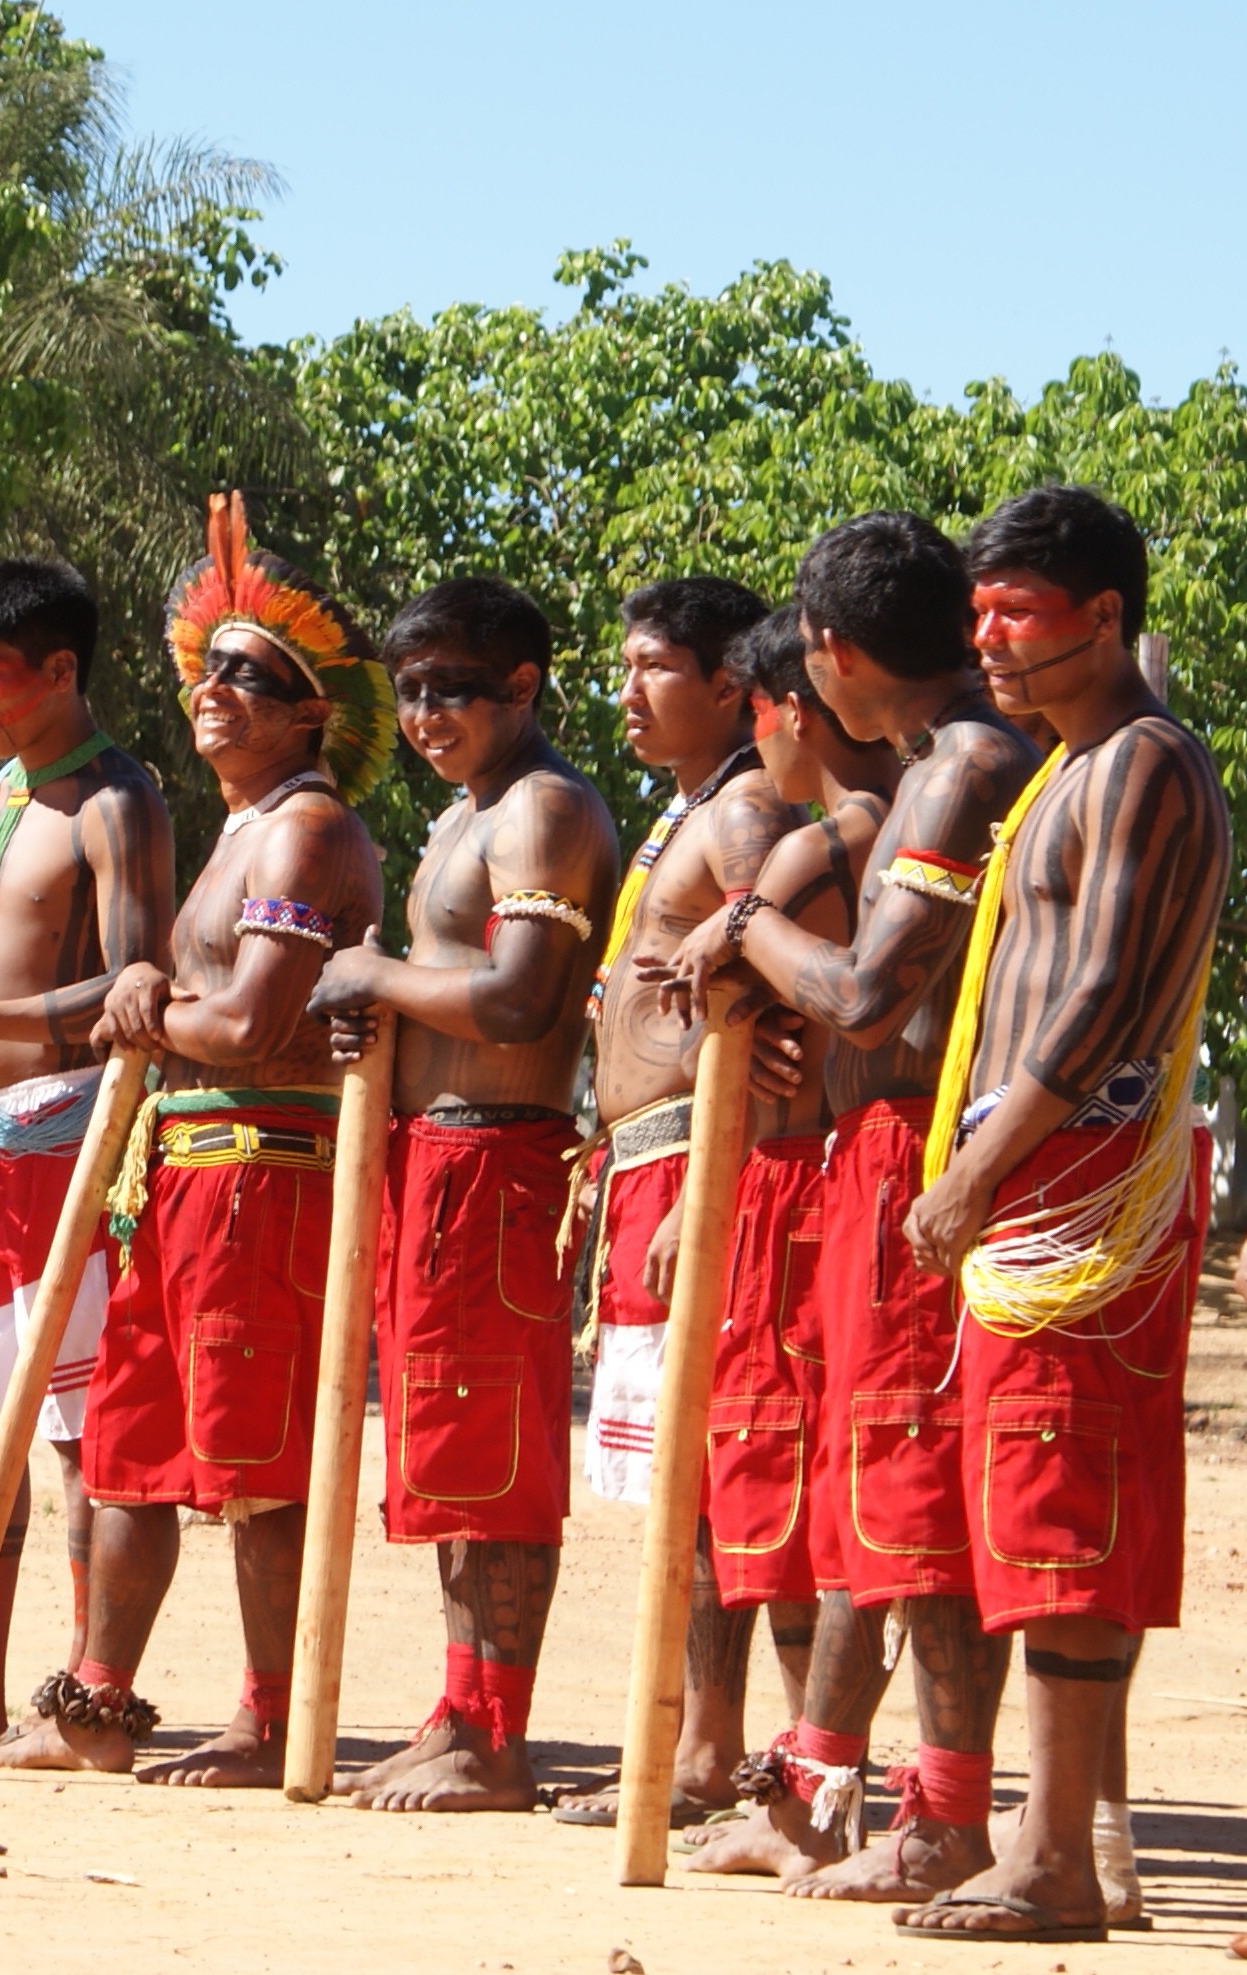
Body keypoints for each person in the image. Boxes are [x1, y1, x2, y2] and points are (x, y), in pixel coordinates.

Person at [647, 514, 1039, 1902]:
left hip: (923, 1155)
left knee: (916, 1486)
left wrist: (748, 928)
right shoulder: (942, 769)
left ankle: (944, 1814)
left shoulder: (957, 769)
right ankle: (817, 1787)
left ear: (832, 656)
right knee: (879, 1486)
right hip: (888, 1154)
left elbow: (869, 997)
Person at [0, 493, 388, 1785]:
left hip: (263, 1172)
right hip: (181, 1169)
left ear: (310, 712)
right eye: (208, 671)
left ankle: (268, 1716)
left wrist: (147, 1008)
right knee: (130, 1445)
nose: (216, 691)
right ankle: (95, 1701)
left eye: (251, 676)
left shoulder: (308, 827)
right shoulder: (241, 826)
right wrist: (151, 1006)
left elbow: (259, 1018)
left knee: (253, 1459)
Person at [893, 488, 1225, 1944]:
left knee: (1062, 1495)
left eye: (1016, 612)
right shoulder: (1068, 767)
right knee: (1036, 1498)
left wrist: (977, 1167)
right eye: (979, 614)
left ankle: (1056, 1861)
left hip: (1078, 1168)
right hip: (1041, 1170)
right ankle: (1066, 1842)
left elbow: (1097, 996)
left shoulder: (1142, 761)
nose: (989, 640)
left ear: (1102, 616)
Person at [307, 576, 617, 1810]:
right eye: (411, 690)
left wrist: (375, 978)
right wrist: (373, 1005)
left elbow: (519, 998)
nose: (426, 714)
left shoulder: (541, 810)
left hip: (498, 1163)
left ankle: (497, 1731)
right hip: (434, 1156)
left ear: (522, 686)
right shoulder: (464, 813)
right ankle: (460, 1704)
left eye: (454, 689)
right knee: (446, 1449)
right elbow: (443, 982)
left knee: (495, 1454)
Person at [551, 578, 800, 1828]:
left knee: (719, 1470)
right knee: (680, 1480)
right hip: (648, 1161)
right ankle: (696, 1743)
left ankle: (721, 1754)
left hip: (699, 1163)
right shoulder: (690, 811)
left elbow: (777, 994)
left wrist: (711, 1171)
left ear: (727, 685)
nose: (629, 692)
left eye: (654, 667)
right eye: (625, 666)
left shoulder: (746, 809)